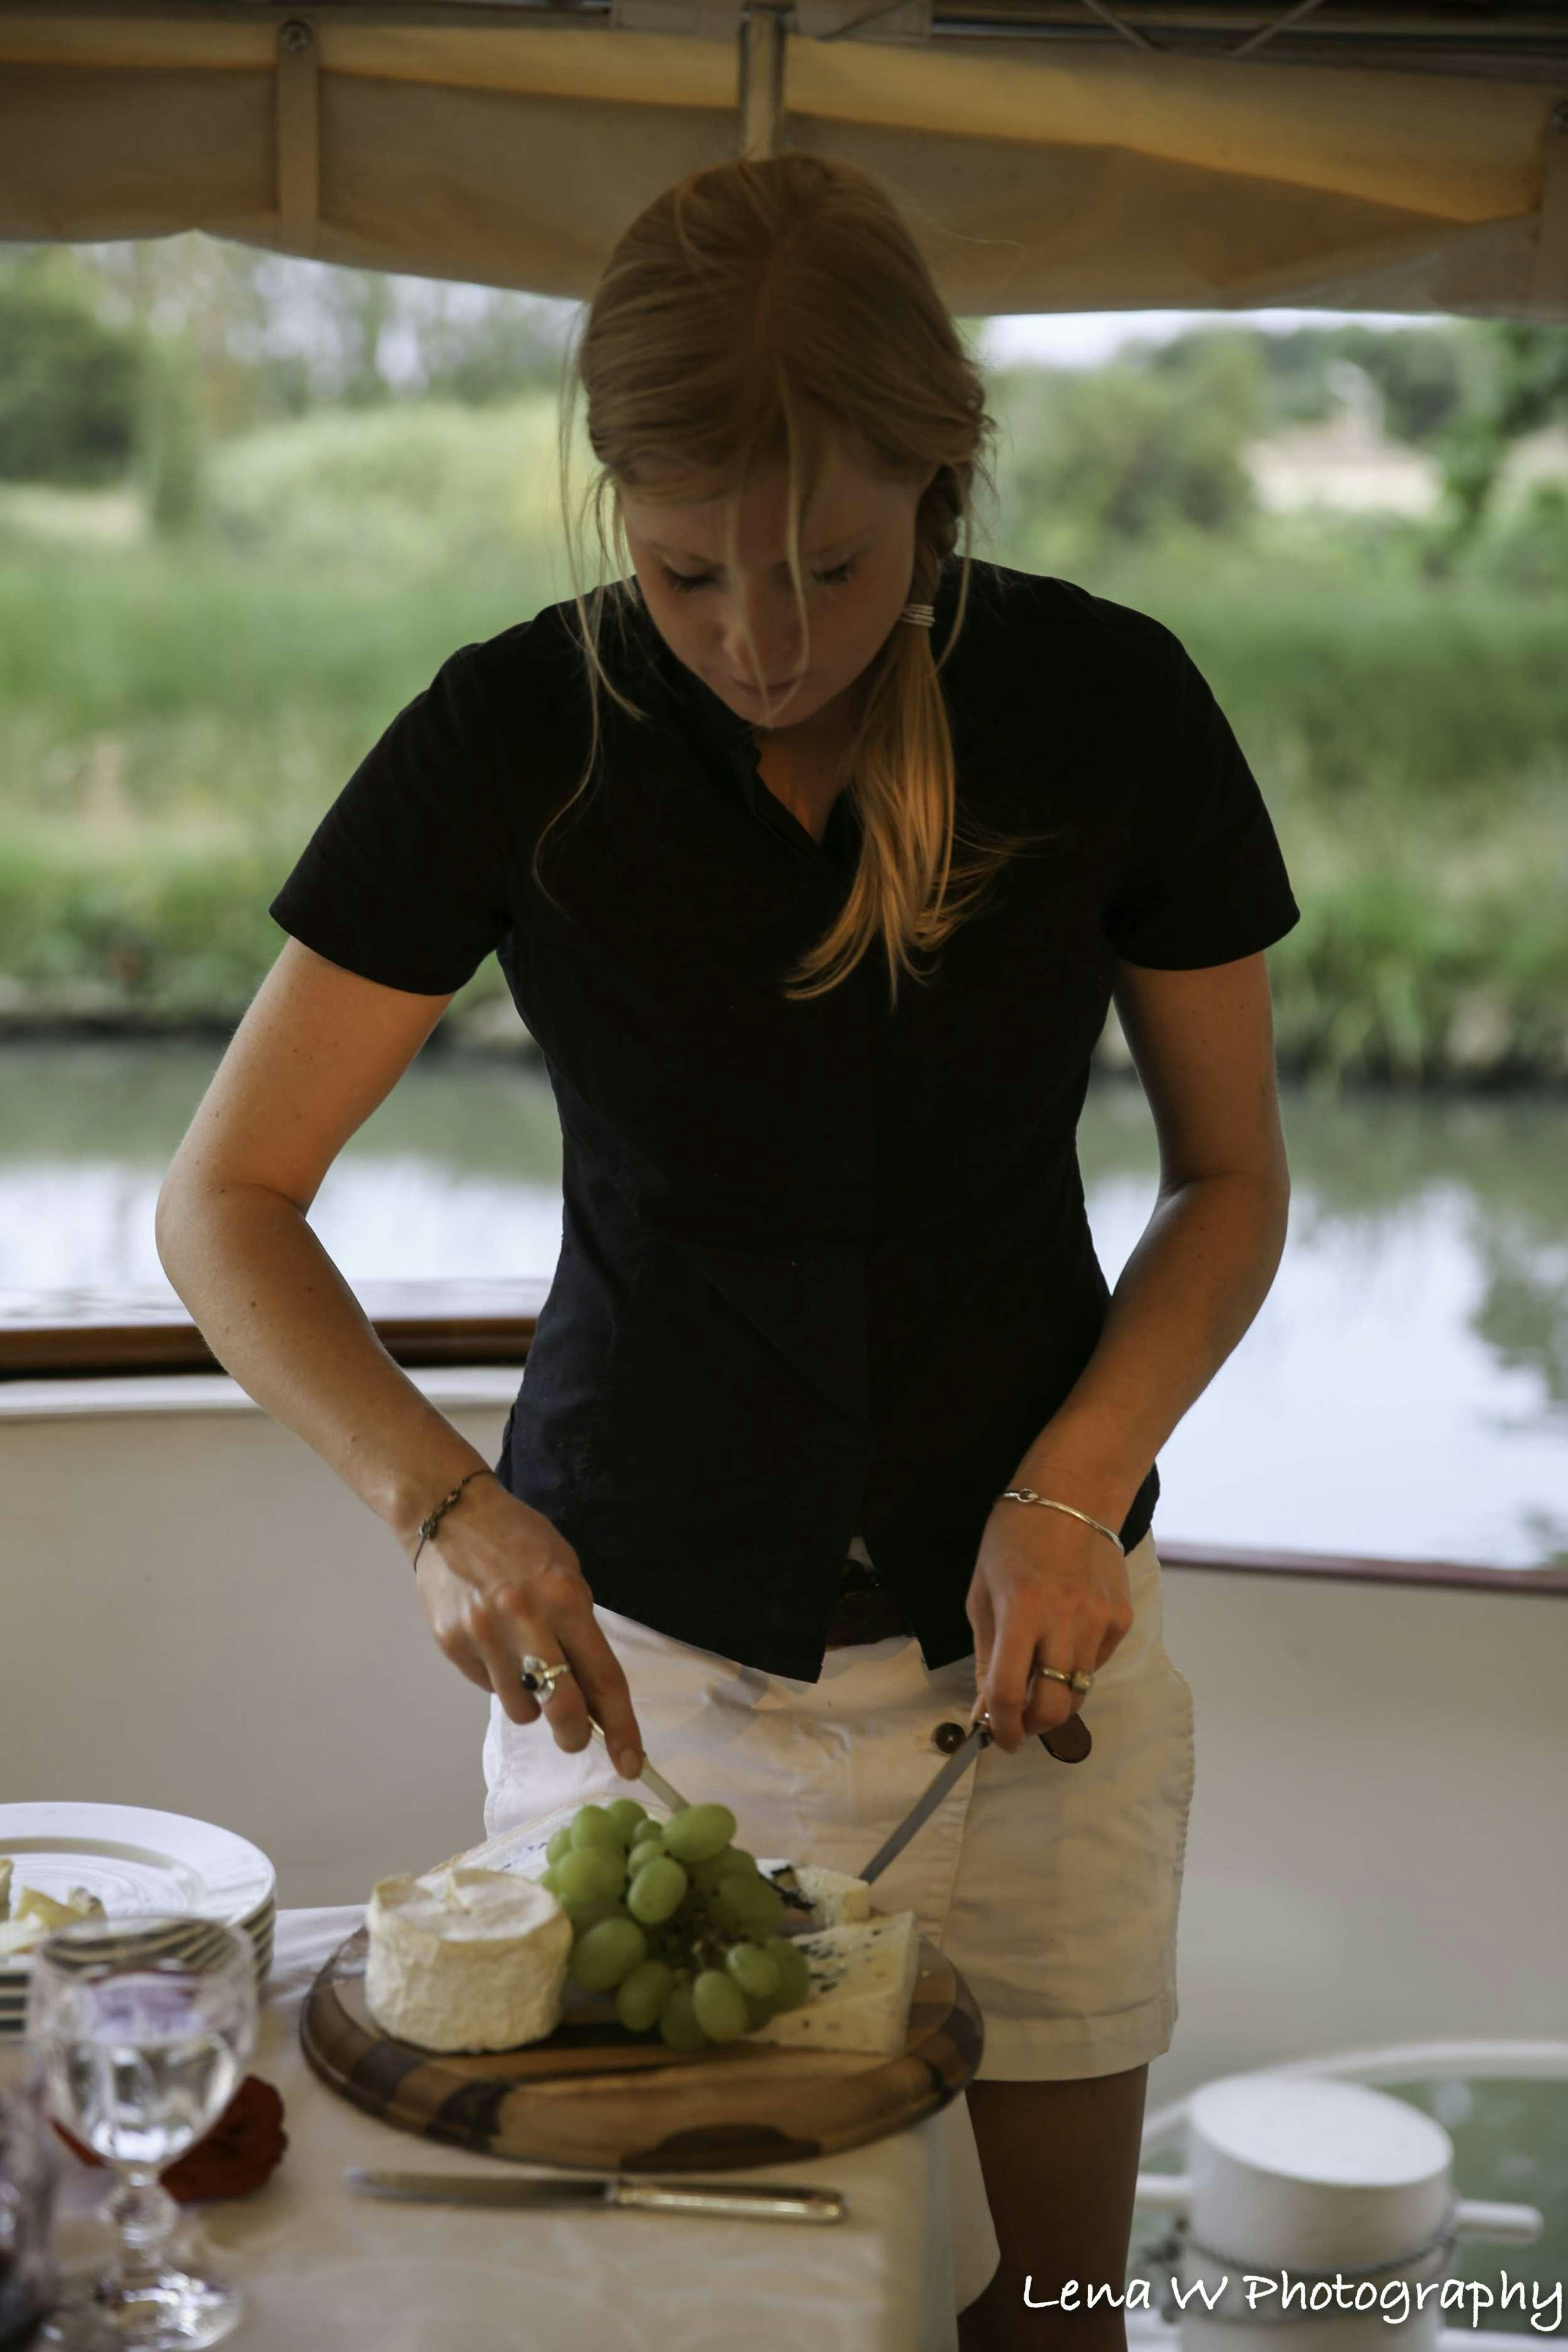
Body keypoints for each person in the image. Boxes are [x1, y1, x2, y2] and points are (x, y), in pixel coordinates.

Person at [156, 152, 1298, 2351]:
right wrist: (444, 1505)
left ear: (936, 476)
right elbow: (224, 1200)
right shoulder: (514, 734)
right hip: (652, 1701)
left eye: (825, 567)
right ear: (613, 508)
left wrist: (1074, 1493)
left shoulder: (1112, 706)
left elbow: (1228, 1179)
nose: (762, 644)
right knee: (676, 2320)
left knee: (1055, 2322)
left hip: (1050, 1661)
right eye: (686, 578)